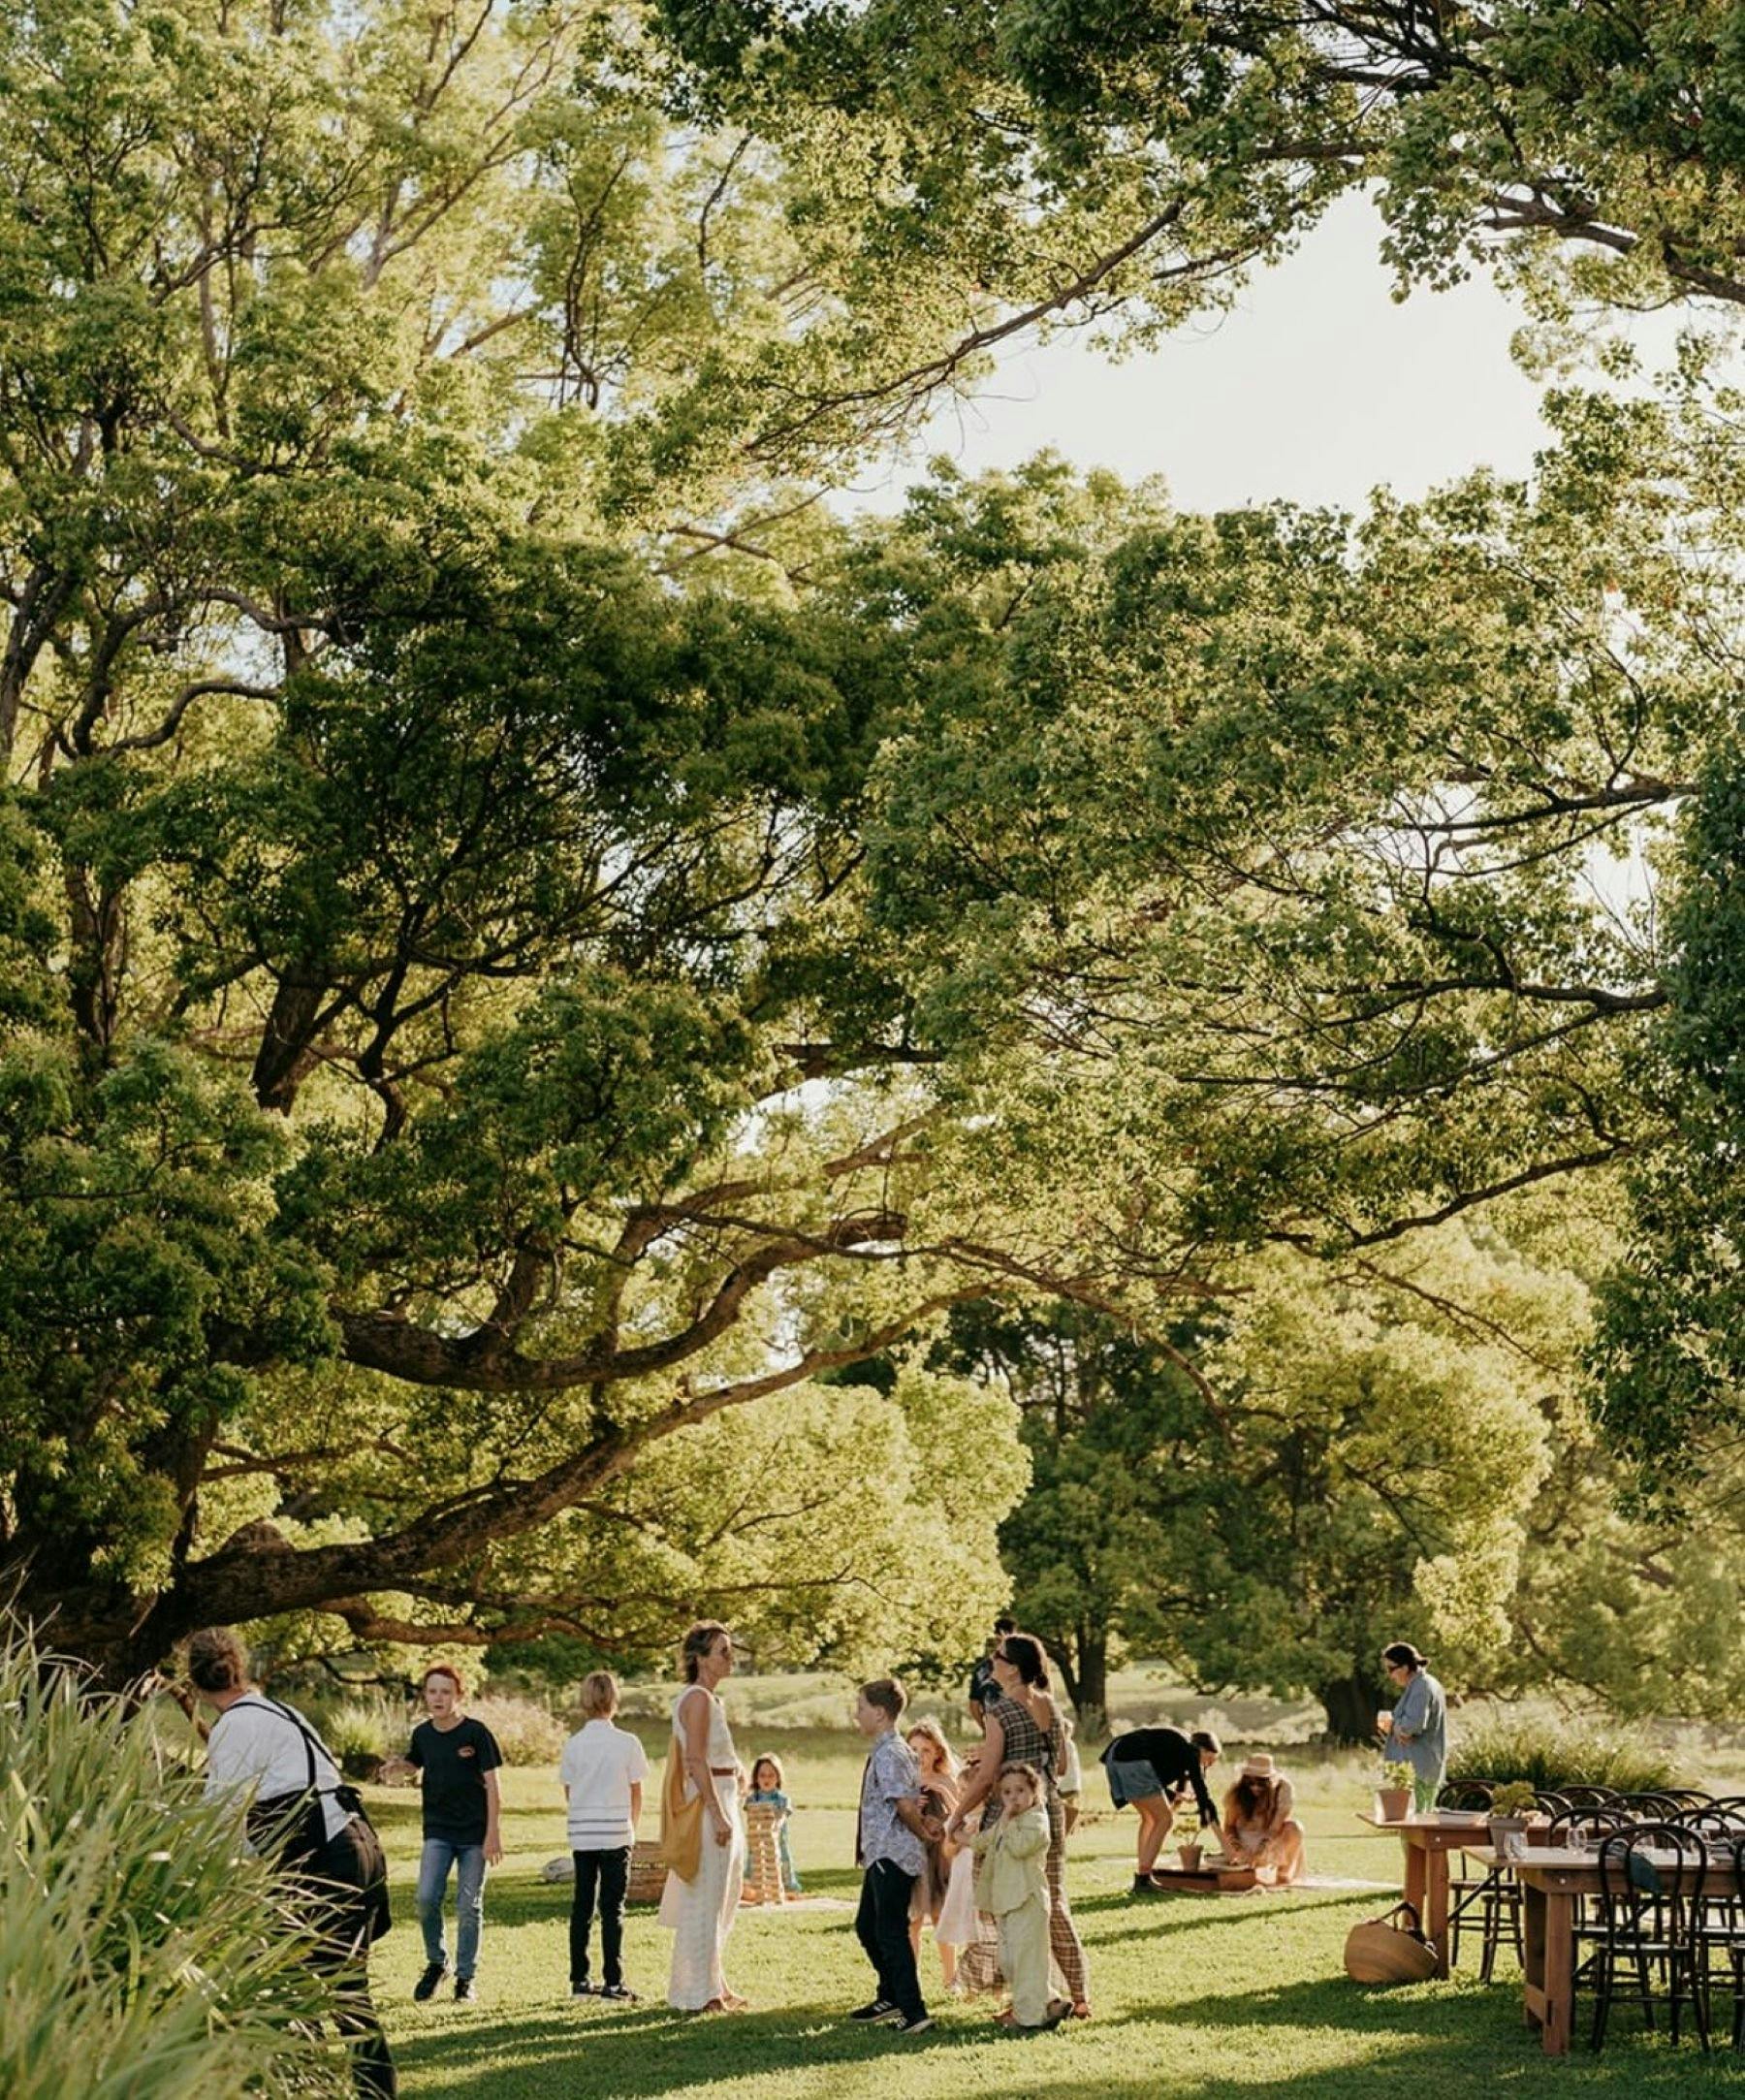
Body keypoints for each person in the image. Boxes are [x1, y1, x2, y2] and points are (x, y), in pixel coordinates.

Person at [188, 1627, 396, 2099]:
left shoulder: (235, 1727)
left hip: (324, 1858)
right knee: (338, 1994)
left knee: (294, 1989)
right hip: (356, 1845)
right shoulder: (279, 1710)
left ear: (196, 1686)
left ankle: (310, 2088)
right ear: (238, 1666)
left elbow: (220, 1822)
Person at [947, 1631, 1091, 2020]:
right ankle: (1078, 1995)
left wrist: (956, 1816)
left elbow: (987, 1776)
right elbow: (1058, 1767)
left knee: (1008, 1909)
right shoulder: (1050, 1705)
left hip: (1009, 1817)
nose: (992, 1660)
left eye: (998, 1655)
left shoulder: (1000, 1711)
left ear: (1012, 1668)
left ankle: (1021, 2000)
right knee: (1053, 1904)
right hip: (1049, 1813)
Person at [386, 1664, 503, 2003]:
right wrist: (398, 1767)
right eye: (432, 1691)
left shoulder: (477, 1733)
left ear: (458, 1695)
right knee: (425, 1898)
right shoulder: (422, 1734)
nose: (438, 1698)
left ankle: (466, 1978)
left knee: (469, 1906)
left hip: (474, 1835)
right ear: (426, 1695)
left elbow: (495, 1788)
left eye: (445, 1692)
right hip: (438, 1830)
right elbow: (414, 1764)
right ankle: (438, 1963)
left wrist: (493, 1833)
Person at [659, 1620, 747, 2012]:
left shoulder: (710, 1700)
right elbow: (695, 1760)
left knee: (725, 1896)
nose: (730, 1659)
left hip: (728, 1795)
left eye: (730, 1651)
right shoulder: (696, 1699)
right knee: (706, 1898)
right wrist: (717, 1813)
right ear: (700, 1659)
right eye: (722, 1652)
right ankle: (696, 1992)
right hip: (711, 1803)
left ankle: (717, 1982)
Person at [846, 1677, 935, 2037]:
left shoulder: (892, 1753)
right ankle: (890, 1995)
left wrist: (923, 1834)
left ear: (880, 1713)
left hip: (893, 1856)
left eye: (862, 1708)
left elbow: (904, 1805)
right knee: (868, 1926)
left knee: (890, 1932)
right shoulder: (884, 1751)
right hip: (878, 1854)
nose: (857, 1715)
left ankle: (914, 2011)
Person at [558, 1670, 649, 2002]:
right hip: (615, 1833)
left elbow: (570, 1789)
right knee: (613, 1909)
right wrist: (631, 1827)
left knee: (582, 1906)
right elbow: (636, 1791)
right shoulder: (627, 1743)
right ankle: (613, 1982)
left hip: (583, 1834)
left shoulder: (575, 1744)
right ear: (614, 1700)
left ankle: (580, 1980)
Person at [964, 1763, 1067, 2031]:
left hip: (1027, 1900)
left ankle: (1029, 2019)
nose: (1013, 1798)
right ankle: (1050, 2000)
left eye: (1020, 1791)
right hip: (1006, 1900)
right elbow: (985, 1840)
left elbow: (1021, 1847)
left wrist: (1007, 1822)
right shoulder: (1007, 1821)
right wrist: (958, 1836)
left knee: (1026, 1962)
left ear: (1034, 1791)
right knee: (1010, 1961)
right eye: (1007, 1792)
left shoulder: (1036, 1821)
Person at [1099, 1724, 1222, 1891]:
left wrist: (1176, 1796)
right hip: (1132, 1758)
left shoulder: (1176, 1748)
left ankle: (1142, 1873)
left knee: (1150, 1819)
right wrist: (1208, 1810)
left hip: (1116, 1756)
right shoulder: (1190, 1749)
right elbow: (1201, 1789)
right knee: (1165, 1819)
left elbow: (1155, 1780)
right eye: (1208, 1760)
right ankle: (1145, 1877)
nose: (1206, 1766)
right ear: (1202, 1749)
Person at [904, 1718, 962, 1987]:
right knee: (912, 1920)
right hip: (914, 1855)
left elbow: (961, 1811)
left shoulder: (946, 1779)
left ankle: (951, 1978)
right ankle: (911, 1979)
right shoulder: (906, 1781)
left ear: (938, 1751)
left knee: (941, 1918)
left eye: (925, 1750)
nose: (920, 1756)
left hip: (940, 1857)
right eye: (914, 1750)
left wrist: (943, 1792)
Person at [1380, 1641, 1447, 1813]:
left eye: (1391, 1669)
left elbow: (1410, 1728)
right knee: (1418, 1827)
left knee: (1418, 1824)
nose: (1390, 1675)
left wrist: (1393, 1724)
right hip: (1423, 1767)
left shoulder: (1421, 1687)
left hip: (1419, 1770)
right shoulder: (1423, 1684)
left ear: (1404, 1667)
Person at [1220, 1754, 1307, 1886]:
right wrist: (1239, 1849)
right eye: (1250, 1782)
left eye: (1261, 1783)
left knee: (1295, 1827)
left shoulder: (1283, 1789)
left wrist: (1260, 1851)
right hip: (1244, 1841)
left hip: (1271, 1840)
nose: (1255, 1787)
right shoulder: (1237, 1791)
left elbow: (1275, 1828)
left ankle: (1283, 1875)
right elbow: (1229, 1826)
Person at [746, 1753, 803, 1893]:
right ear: (756, 1777)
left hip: (777, 1841)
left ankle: (786, 1887)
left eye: (771, 1775)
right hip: (757, 1842)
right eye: (762, 1775)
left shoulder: (781, 1799)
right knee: (756, 1865)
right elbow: (750, 1816)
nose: (766, 1779)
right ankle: (756, 1889)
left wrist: (775, 1824)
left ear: (778, 1777)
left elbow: (782, 1816)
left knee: (781, 1862)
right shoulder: (753, 1799)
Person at [968, 1615, 1018, 1728]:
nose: (998, 1646)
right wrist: (985, 1728)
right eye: (996, 1641)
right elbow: (974, 1705)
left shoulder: (1022, 1666)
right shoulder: (981, 1671)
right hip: (995, 1726)